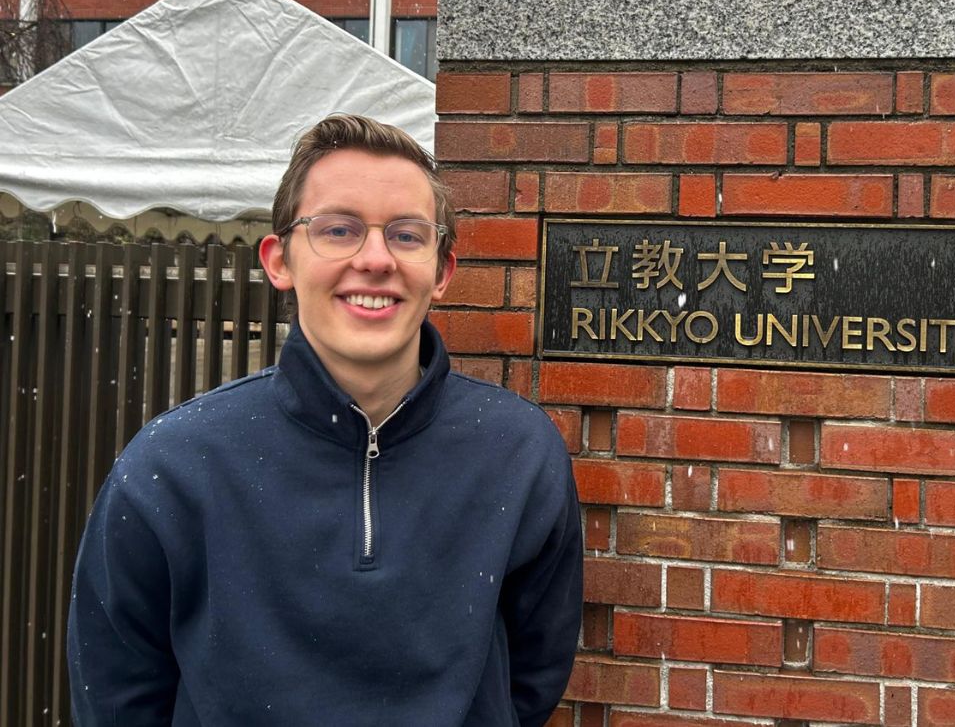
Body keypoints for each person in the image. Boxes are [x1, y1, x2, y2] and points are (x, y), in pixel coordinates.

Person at [67, 114, 583, 726]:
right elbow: (117, 691)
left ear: (442, 271)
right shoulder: (172, 463)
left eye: (407, 235)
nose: (374, 259)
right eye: (338, 230)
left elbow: (533, 674)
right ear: (279, 259)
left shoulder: (519, 454)